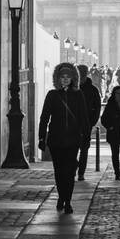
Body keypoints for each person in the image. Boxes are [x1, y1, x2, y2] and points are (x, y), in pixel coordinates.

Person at [37, 62, 91, 213]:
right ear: (58, 79)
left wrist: (86, 137)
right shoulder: (52, 95)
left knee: (69, 172)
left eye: (68, 77)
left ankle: (67, 200)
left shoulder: (78, 94)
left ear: (73, 78)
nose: (65, 79)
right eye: (62, 77)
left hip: (72, 140)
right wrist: (41, 138)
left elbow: (83, 118)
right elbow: (44, 118)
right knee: (59, 171)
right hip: (56, 140)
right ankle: (62, 196)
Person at [76, 63, 102, 179]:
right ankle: (75, 169)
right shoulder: (73, 89)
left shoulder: (93, 90)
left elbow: (97, 108)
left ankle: (81, 172)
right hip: (73, 124)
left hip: (86, 124)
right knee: (72, 150)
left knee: (84, 150)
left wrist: (91, 122)